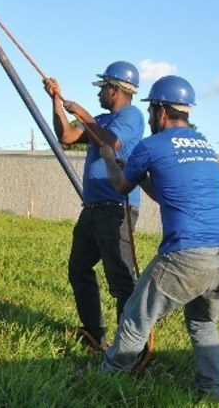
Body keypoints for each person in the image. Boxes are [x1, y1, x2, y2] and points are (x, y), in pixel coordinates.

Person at [97, 75, 219, 401]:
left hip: (187, 254)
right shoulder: (205, 147)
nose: (149, 119)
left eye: (151, 112)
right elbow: (168, 193)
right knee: (204, 323)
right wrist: (143, 175)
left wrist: (109, 159)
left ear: (161, 111)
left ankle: (104, 380)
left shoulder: (152, 145)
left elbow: (122, 187)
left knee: (136, 318)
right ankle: (213, 393)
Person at [43, 61, 145, 351]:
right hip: (92, 208)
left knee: (121, 279)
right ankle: (93, 333)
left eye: (103, 88)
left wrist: (84, 115)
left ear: (115, 90)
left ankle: (129, 346)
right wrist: (56, 101)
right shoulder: (99, 118)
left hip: (116, 209)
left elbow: (110, 143)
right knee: (78, 269)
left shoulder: (132, 116)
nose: (99, 94)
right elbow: (66, 137)